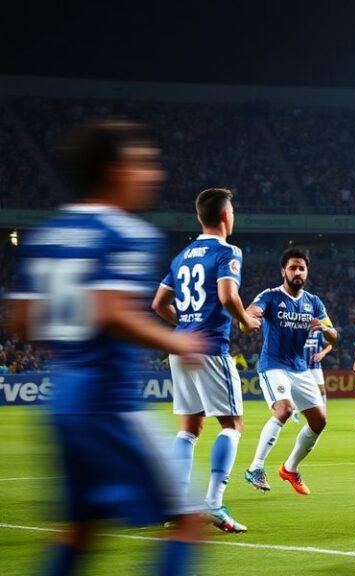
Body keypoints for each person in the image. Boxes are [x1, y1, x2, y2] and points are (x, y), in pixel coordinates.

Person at [4, 119, 209, 575]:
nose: (153, 174)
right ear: (115, 170)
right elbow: (110, 311)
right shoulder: (127, 234)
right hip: (109, 402)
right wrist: (175, 339)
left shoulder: (47, 235)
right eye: (143, 163)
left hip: (62, 401)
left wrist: (72, 342)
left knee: (81, 529)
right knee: (189, 520)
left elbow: (19, 319)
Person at [151, 187, 260, 534]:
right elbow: (228, 296)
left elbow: (158, 305)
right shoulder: (228, 251)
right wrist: (245, 320)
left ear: (200, 217)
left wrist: (185, 324)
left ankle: (176, 503)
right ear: (227, 216)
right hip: (211, 347)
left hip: (180, 347)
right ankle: (213, 502)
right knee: (232, 425)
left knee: (189, 429)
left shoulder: (182, 255)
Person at [243, 248, 337, 495]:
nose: (297, 272)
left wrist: (326, 330)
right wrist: (251, 317)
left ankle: (290, 468)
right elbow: (253, 310)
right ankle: (256, 467)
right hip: (273, 364)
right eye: (293, 267)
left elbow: (334, 335)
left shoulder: (313, 302)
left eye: (302, 268)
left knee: (319, 421)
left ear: (307, 272)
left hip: (299, 367)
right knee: (285, 409)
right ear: (283, 270)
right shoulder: (271, 296)